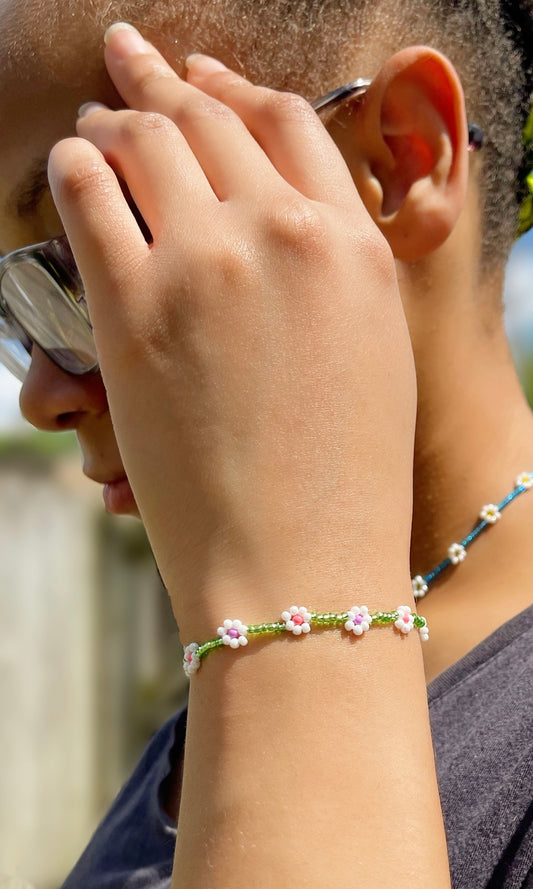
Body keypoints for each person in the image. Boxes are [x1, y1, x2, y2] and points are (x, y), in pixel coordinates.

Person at [0, 1, 532, 887]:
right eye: (15, 310)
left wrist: (298, 616)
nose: (41, 393)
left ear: (398, 156)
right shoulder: (226, 674)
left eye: (86, 260)